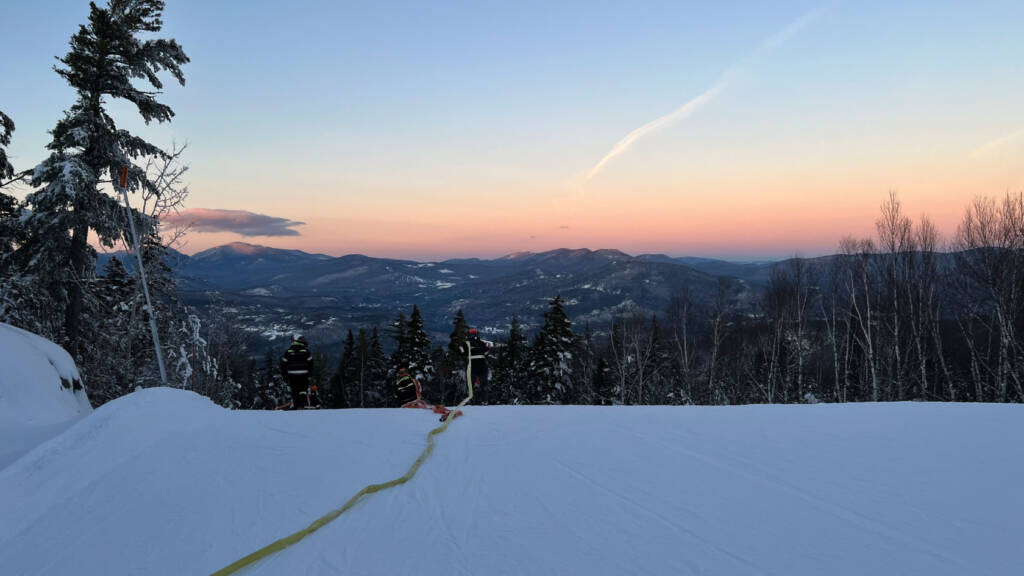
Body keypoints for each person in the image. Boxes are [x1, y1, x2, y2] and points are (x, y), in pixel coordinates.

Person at [279, 334, 314, 409]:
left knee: (295, 391)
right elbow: (311, 363)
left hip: (292, 376)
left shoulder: (288, 351)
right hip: (304, 375)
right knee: (303, 390)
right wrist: (310, 374)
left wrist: (285, 376)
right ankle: (303, 405)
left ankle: (296, 406)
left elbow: (283, 364)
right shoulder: (306, 351)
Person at [459, 328, 490, 403]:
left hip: (472, 366)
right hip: (482, 365)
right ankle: (484, 401)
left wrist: (460, 348)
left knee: (470, 384)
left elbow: (462, 353)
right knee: (483, 384)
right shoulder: (482, 343)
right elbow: (487, 352)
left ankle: (469, 401)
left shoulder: (466, 344)